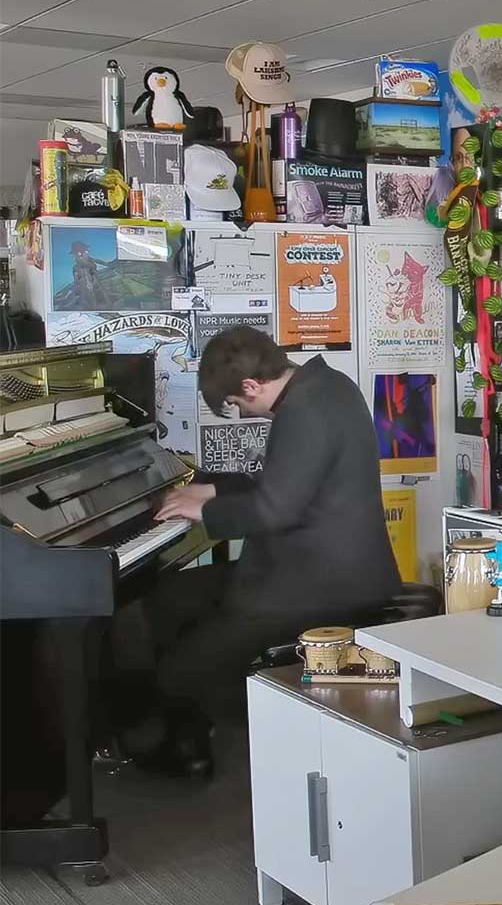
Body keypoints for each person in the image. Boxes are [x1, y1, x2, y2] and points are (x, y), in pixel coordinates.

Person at [114, 326, 400, 775]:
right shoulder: (324, 385)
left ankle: (287, 744)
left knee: (182, 671)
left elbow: (274, 511)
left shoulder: (306, 409)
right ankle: (189, 741)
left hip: (322, 583)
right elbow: (290, 485)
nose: (247, 413)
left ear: (251, 385)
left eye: (241, 404)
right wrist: (211, 490)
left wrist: (204, 512)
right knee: (170, 600)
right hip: (315, 565)